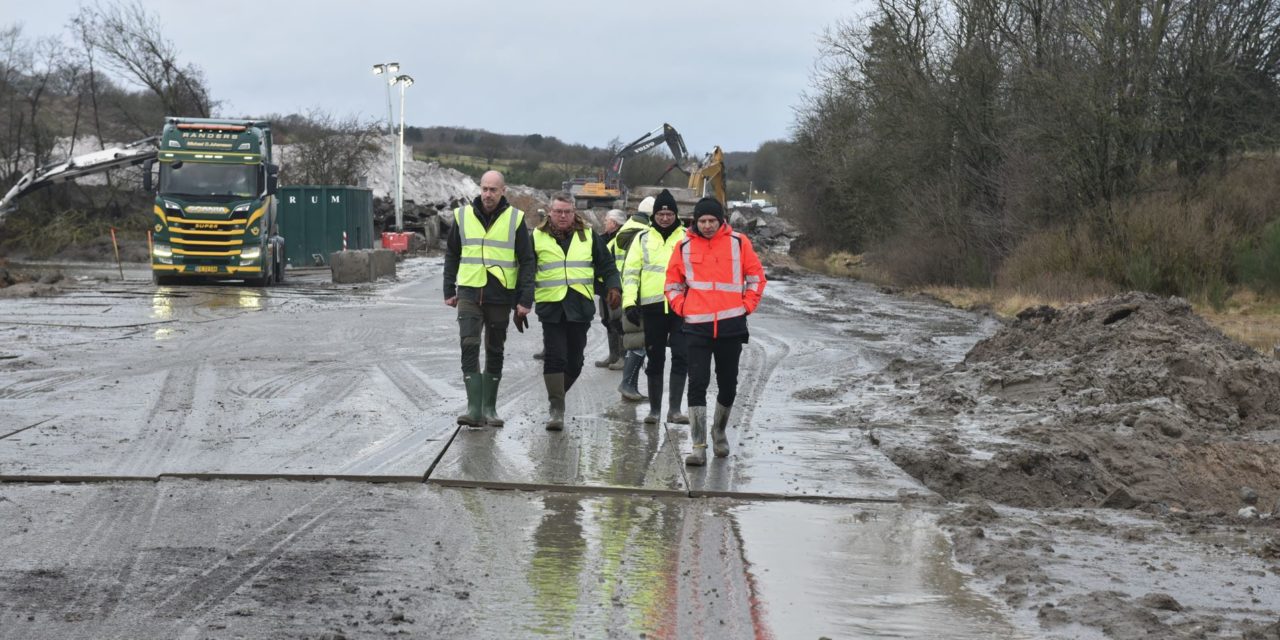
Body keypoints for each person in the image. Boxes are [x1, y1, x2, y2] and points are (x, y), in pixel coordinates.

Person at [665, 196, 766, 466]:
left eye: (711, 220)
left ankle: (719, 430)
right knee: (697, 383)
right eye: (702, 220)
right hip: (696, 326)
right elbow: (672, 283)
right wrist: (682, 307)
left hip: (731, 326)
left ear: (720, 220)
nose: (707, 225)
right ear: (695, 222)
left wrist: (746, 305)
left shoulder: (739, 243)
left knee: (728, 385)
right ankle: (698, 445)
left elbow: (756, 278)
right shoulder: (683, 246)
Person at [443, 170, 536, 428]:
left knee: (495, 349)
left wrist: (525, 299)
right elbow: (452, 254)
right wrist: (448, 289)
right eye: (484, 188)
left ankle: (490, 407)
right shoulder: (462, 216)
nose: (487, 194)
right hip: (469, 292)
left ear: (503, 191)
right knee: (469, 345)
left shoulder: (515, 219)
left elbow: (527, 261)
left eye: (493, 190)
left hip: (500, 295)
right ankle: (474, 409)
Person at [533, 192, 621, 430]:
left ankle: (557, 396)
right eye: (558, 211)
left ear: (574, 213)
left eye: (567, 212)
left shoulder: (589, 236)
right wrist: (519, 303)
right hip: (551, 307)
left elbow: (607, 264)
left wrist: (614, 286)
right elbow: (525, 271)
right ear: (550, 212)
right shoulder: (537, 237)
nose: (563, 216)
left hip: (579, 307)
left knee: (575, 362)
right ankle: (556, 409)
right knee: (555, 357)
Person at [622, 189, 689, 425]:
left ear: (675, 215)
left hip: (680, 308)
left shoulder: (686, 238)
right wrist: (629, 302)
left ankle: (675, 410)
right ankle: (654, 411)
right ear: (654, 215)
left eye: (669, 213)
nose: (664, 217)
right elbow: (630, 272)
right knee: (655, 358)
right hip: (651, 308)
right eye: (661, 213)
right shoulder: (642, 239)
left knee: (681, 356)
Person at [613, 198, 655, 401]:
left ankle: (630, 386)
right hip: (635, 294)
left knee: (636, 341)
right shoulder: (641, 233)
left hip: (627, 291)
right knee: (637, 341)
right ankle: (628, 385)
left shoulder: (630, 228)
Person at [593, 209, 628, 370]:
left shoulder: (621, 239)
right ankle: (613, 355)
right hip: (603, 288)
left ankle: (622, 357)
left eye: (607, 220)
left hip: (616, 288)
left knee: (618, 321)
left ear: (614, 223)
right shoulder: (603, 238)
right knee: (607, 321)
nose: (604, 223)